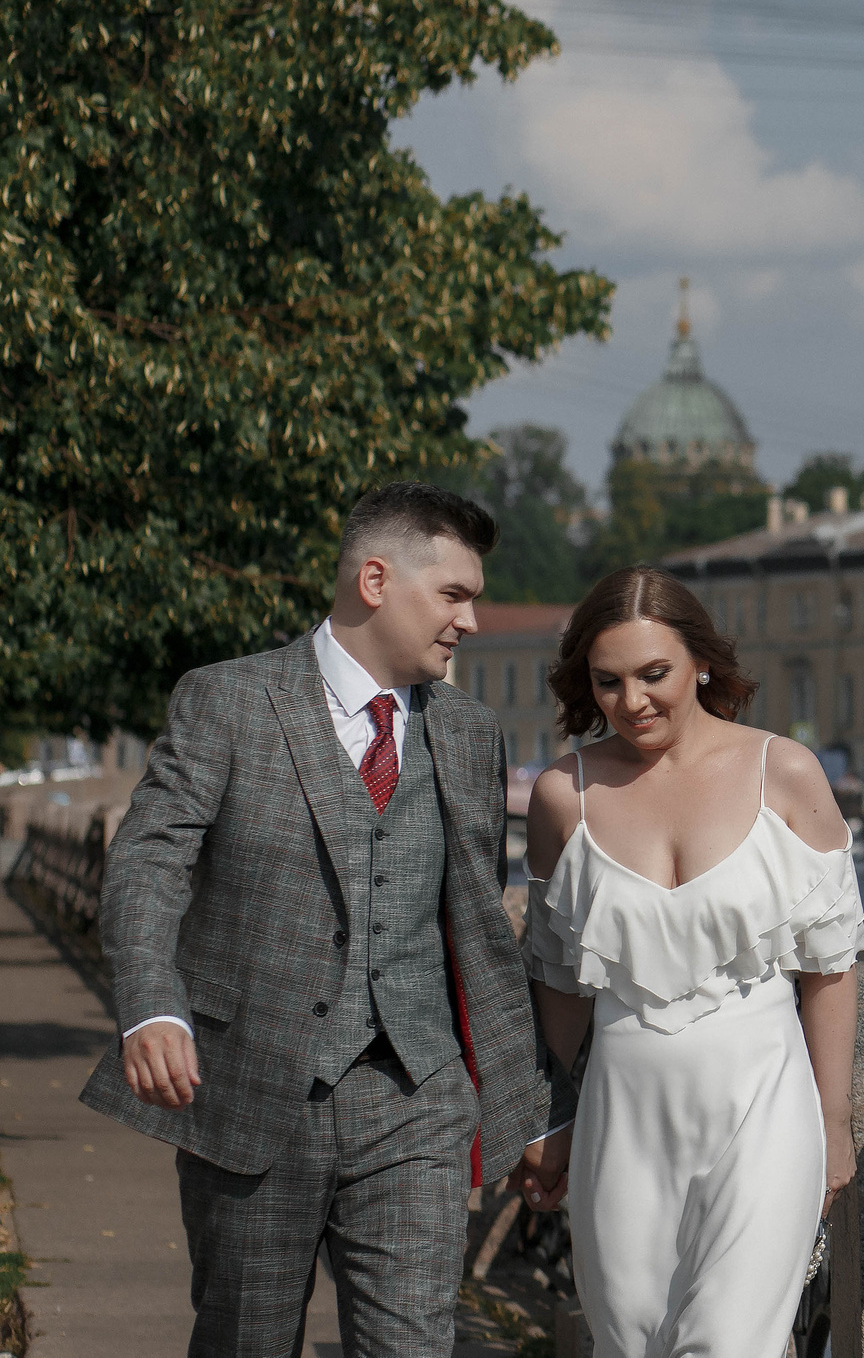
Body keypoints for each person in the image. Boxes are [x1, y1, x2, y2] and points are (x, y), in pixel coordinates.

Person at [83, 481, 575, 1354]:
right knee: (247, 1339)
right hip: (250, 1085)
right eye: (453, 595)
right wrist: (153, 1006)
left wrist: (533, 1106)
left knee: (413, 1345)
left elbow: (481, 936)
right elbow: (149, 860)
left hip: (419, 1097)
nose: (469, 621)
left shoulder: (469, 732)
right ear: (375, 581)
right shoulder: (229, 699)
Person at [519, 566, 862, 1357]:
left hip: (764, 1105)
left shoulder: (786, 772)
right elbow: (559, 985)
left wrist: (834, 1124)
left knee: (730, 1344)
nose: (632, 701)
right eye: (608, 681)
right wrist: (547, 1119)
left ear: (702, 662)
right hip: (622, 1113)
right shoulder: (562, 795)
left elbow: (831, 968)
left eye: (654, 674)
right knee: (631, 1342)